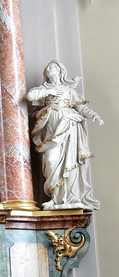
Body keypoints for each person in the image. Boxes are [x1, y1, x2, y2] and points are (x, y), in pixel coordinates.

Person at [27, 60, 103, 210]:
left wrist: (94, 115)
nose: (49, 69)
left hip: (68, 128)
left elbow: (81, 107)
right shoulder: (44, 88)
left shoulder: (69, 90)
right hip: (51, 130)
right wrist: (49, 92)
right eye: (48, 67)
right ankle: (55, 197)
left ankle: (67, 197)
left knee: (70, 161)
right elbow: (30, 95)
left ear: (61, 71)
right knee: (51, 161)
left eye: (53, 67)